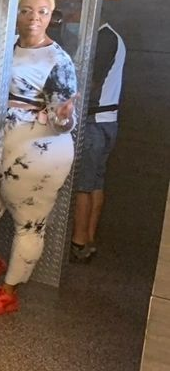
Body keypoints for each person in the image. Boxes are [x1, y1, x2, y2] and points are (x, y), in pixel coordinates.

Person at [0, 0, 78, 315]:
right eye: (26, 10)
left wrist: (61, 117)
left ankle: (9, 291)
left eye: (42, 11)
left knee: (29, 221)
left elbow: (66, 121)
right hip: (3, 144)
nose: (33, 18)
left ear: (51, 16)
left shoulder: (59, 61)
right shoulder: (6, 46)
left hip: (40, 151)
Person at [71, 21, 126, 262]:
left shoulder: (104, 38)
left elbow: (91, 83)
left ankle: (78, 243)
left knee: (83, 184)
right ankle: (89, 237)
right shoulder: (111, 36)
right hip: (107, 120)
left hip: (95, 121)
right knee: (95, 182)